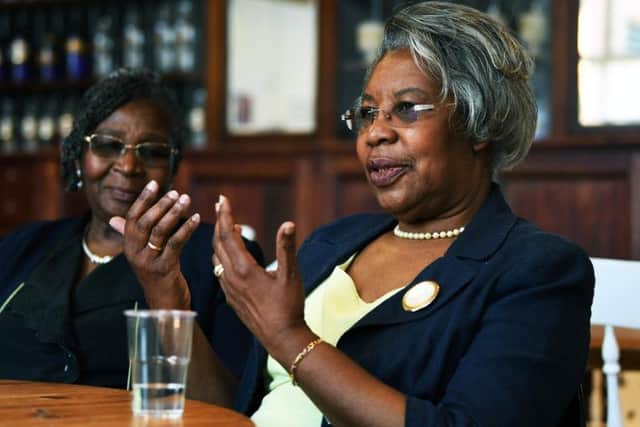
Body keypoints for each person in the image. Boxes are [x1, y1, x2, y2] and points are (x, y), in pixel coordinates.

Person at [117, 2, 594, 426]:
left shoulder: (538, 269)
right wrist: (165, 291)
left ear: (477, 124)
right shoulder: (332, 244)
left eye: (405, 109)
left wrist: (287, 336)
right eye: (367, 114)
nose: (375, 134)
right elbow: (232, 412)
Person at [0, 68, 263, 397]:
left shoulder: (218, 260)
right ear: (79, 158)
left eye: (151, 151)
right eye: (108, 146)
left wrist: (166, 298)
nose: (127, 166)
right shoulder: (21, 247)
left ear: (172, 168)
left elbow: (229, 406)